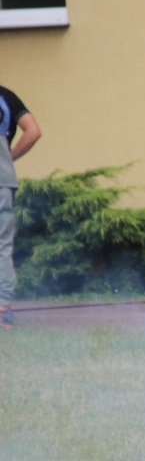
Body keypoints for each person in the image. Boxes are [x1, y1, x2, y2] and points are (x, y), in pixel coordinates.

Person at [0, 85, 41, 329]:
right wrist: (7, 159)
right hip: (2, 182)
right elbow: (33, 131)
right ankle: (1, 310)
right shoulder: (6, 96)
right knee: (1, 246)